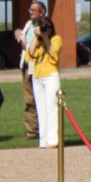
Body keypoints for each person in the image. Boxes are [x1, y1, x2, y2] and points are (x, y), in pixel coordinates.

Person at [26, 17, 63, 149]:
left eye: (45, 28)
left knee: (51, 107)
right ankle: (43, 140)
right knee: (41, 108)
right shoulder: (37, 41)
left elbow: (54, 54)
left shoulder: (56, 39)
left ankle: (52, 140)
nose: (43, 31)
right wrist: (36, 37)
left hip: (50, 76)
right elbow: (30, 54)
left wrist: (46, 38)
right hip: (37, 76)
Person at [16, 1, 46, 141]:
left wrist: (26, 45)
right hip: (27, 66)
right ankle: (32, 131)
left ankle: (44, 129)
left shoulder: (45, 26)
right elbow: (22, 38)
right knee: (28, 99)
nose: (31, 12)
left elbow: (43, 45)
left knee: (40, 99)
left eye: (34, 10)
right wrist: (19, 35)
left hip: (39, 67)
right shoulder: (29, 24)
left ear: (42, 12)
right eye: (30, 9)